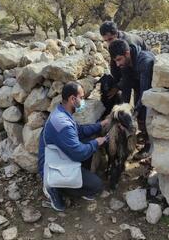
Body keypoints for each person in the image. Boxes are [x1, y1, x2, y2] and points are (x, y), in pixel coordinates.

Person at [38, 82, 109, 211]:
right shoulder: (62, 123)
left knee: (87, 140)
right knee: (96, 186)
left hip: (61, 157)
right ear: (72, 99)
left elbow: (80, 131)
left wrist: (100, 125)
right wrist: (96, 143)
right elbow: (79, 153)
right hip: (53, 167)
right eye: (81, 98)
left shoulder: (62, 112)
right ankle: (54, 189)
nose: (83, 101)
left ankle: (75, 181)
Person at [108, 39, 155, 160]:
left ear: (127, 53)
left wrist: (134, 113)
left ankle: (150, 146)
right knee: (138, 115)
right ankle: (143, 134)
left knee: (145, 114)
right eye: (115, 61)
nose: (117, 64)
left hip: (152, 90)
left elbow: (146, 93)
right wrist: (123, 108)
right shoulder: (125, 63)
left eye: (119, 59)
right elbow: (127, 87)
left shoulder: (145, 62)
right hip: (140, 85)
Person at [99, 21, 148, 100]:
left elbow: (127, 74)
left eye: (110, 39)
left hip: (141, 67)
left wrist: (119, 86)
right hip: (129, 65)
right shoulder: (113, 45)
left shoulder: (128, 44)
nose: (109, 43)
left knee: (140, 92)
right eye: (106, 41)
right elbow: (114, 66)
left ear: (116, 33)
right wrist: (116, 84)